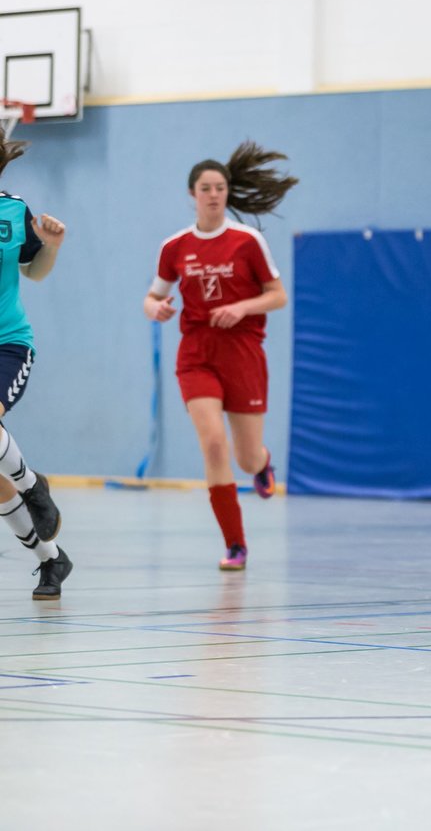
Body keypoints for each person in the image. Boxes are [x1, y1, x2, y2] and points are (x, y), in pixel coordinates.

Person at [142, 141, 297, 571]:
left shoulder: (248, 241)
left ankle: (263, 464)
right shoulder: (174, 246)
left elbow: (278, 296)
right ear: (192, 194)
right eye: (206, 188)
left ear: (227, 193)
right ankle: (235, 545)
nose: (213, 194)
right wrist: (156, 308)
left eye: (220, 187)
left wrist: (241, 307)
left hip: (243, 353)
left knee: (245, 457)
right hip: (197, 354)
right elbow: (153, 297)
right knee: (213, 445)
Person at [0, 126, 72, 600]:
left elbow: (36, 274)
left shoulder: (13, 209)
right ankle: (53, 560)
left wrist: (50, 245)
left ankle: (31, 484)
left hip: (8, 344)